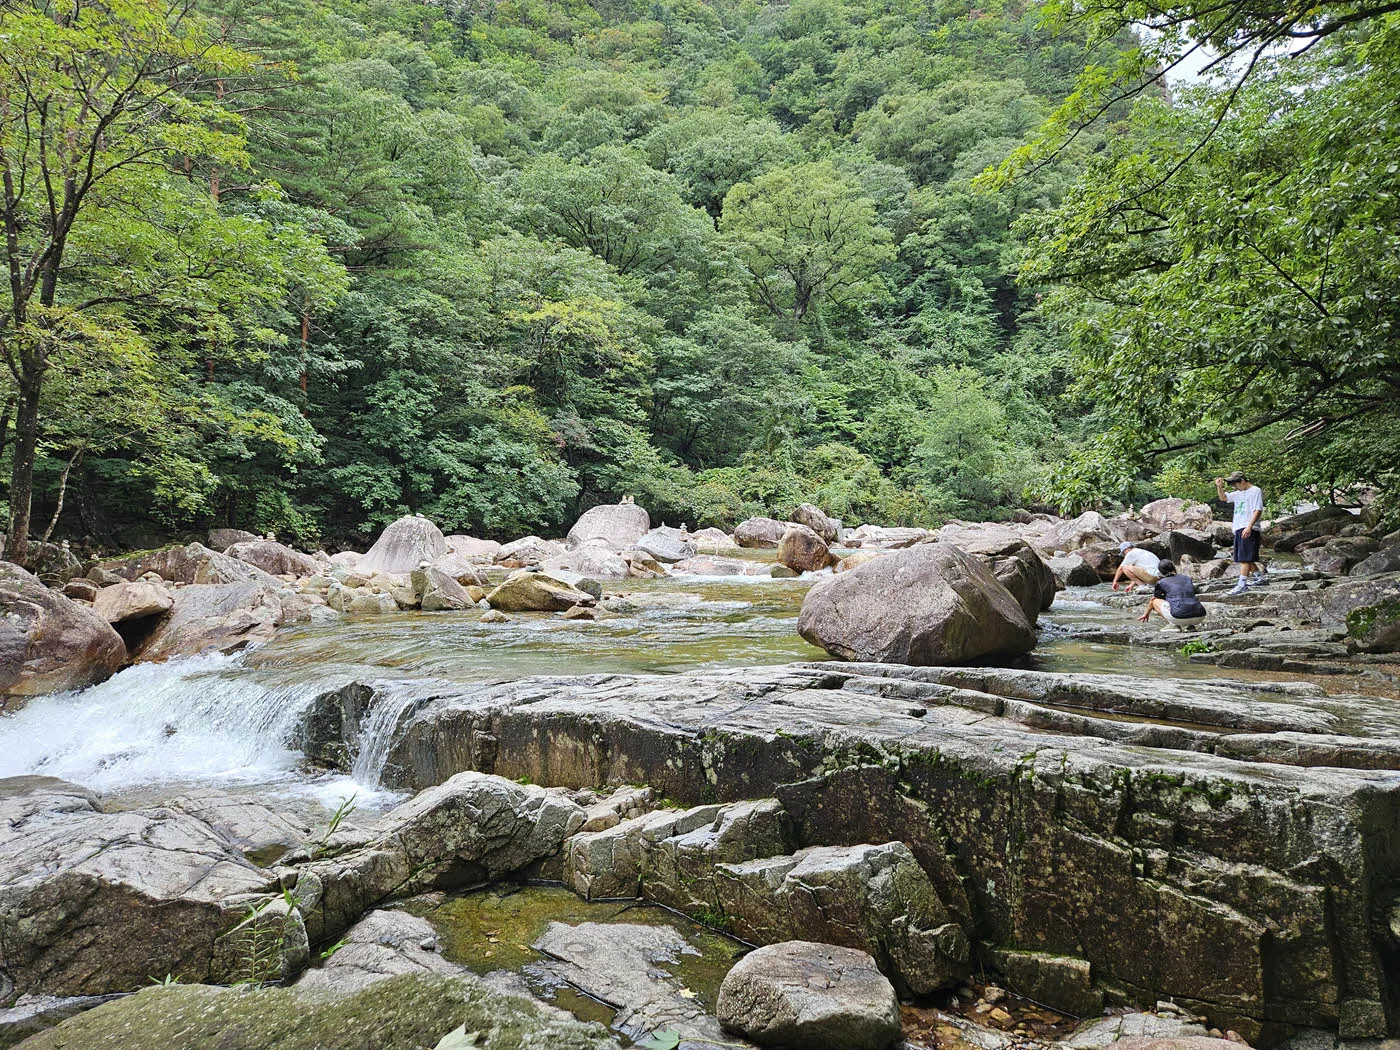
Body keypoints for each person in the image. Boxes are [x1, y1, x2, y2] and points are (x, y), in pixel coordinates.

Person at [1215, 471, 1266, 595]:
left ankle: (1241, 585)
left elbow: (1258, 509)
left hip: (1248, 528)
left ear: (1242, 481)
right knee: (1245, 556)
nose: (1234, 487)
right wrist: (1219, 487)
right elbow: (1224, 498)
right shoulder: (1239, 493)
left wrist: (1249, 527)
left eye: (1235, 484)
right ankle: (1260, 578)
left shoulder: (1255, 491)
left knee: (1245, 558)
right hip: (1239, 527)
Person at [1139, 559, 1208, 629]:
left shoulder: (1161, 582)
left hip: (1179, 617)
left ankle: (1174, 626)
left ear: (1160, 571)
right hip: (1201, 616)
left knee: (1155, 601)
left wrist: (1146, 614)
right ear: (1174, 567)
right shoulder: (1187, 578)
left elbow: (1155, 598)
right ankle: (1191, 627)